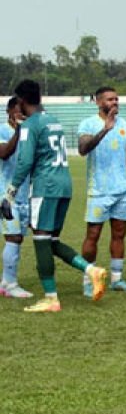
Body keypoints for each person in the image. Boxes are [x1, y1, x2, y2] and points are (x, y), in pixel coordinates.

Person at [0, 80, 109, 312]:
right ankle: (91, 270)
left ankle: (51, 298)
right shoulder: (53, 121)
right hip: (64, 185)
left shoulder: (30, 125)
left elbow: (25, 161)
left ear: (20, 101)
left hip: (44, 187)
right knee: (51, 242)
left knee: (41, 241)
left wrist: (10, 192)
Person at [78, 86, 126, 294]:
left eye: (116, 99)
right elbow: (82, 149)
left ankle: (117, 279)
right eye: (109, 99)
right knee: (93, 234)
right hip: (98, 190)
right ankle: (88, 280)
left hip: (121, 190)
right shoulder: (88, 124)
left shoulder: (125, 124)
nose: (115, 102)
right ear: (99, 103)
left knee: (119, 234)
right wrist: (105, 129)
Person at [0, 98, 34, 298]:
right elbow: (4, 153)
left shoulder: (28, 133)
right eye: (18, 109)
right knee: (12, 236)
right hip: (5, 193)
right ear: (8, 110)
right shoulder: (3, 130)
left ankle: (6, 280)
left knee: (18, 238)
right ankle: (11, 284)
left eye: (24, 110)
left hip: (22, 194)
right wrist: (18, 132)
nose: (22, 113)